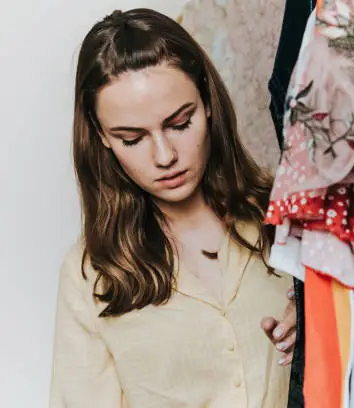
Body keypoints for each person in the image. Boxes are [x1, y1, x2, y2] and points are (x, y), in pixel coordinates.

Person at [50, 8, 298, 408]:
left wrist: (315, 327)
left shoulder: (288, 219)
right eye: (132, 139)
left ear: (207, 101)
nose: (164, 156)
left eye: (180, 124)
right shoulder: (91, 273)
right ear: (102, 137)